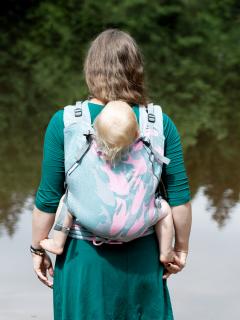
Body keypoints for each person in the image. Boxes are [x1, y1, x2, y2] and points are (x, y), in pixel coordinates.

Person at [31, 29, 192, 320]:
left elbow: (48, 198)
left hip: (83, 260)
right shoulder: (159, 123)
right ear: (136, 70)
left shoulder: (64, 122)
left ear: (91, 70)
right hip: (143, 255)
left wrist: (37, 248)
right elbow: (179, 197)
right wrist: (180, 249)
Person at [40, 100, 174, 264]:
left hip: (94, 223)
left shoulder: (92, 149)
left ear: (96, 132)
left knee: (67, 200)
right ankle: (166, 252)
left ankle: (57, 242)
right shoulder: (144, 149)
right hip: (138, 226)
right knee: (165, 210)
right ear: (136, 133)